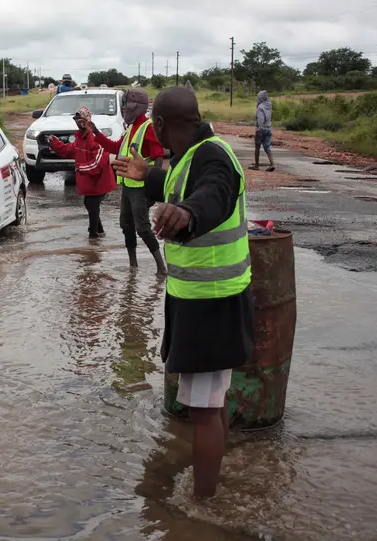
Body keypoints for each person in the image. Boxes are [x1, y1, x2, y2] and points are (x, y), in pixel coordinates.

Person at [113, 86, 254, 499]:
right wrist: (149, 177)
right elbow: (182, 186)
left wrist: (189, 214)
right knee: (214, 401)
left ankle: (203, 505)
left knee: (204, 411)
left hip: (214, 304)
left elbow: (213, 194)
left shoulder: (214, 155)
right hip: (198, 300)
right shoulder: (189, 155)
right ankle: (215, 482)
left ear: (157, 125)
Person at [92, 88, 167, 273]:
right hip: (128, 185)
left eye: (127, 105)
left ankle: (161, 267)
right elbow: (115, 146)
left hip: (141, 188)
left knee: (142, 228)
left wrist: (152, 188)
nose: (125, 109)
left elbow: (158, 156)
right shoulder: (132, 128)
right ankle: (133, 266)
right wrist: (95, 132)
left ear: (138, 107)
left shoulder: (147, 127)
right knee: (126, 225)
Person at [45, 107, 116, 238]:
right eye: (76, 120)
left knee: (91, 205)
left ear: (88, 121)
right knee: (90, 205)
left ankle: (93, 235)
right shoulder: (79, 138)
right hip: (89, 183)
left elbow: (98, 164)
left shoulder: (96, 139)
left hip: (100, 182)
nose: (78, 122)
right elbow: (68, 150)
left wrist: (80, 168)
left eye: (81, 120)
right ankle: (99, 232)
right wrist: (54, 143)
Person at [251, 90, 275, 172]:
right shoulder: (269, 105)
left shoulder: (260, 107)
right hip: (268, 129)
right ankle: (272, 164)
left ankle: (256, 165)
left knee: (257, 147)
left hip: (261, 130)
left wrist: (260, 129)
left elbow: (260, 119)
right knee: (267, 147)